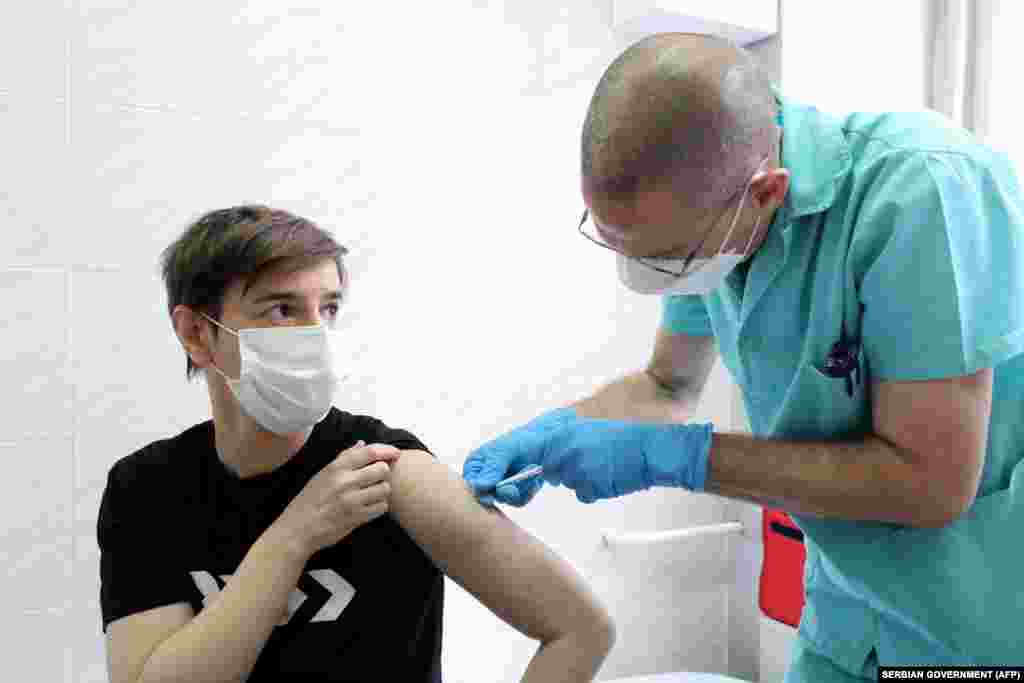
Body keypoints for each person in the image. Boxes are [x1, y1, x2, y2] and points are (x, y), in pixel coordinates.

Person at [463, 32, 1024, 680]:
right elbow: (665, 386)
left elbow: (930, 483)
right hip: (845, 618)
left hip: (975, 627)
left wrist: (677, 458)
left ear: (766, 192)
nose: (640, 276)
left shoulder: (925, 192)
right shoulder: (714, 227)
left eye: (663, 257)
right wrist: (557, 433)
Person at [98, 205, 615, 683]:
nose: (314, 334)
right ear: (196, 334)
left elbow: (580, 629)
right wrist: (291, 539)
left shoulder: (389, 471)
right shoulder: (148, 489)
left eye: (327, 308)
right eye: (281, 310)